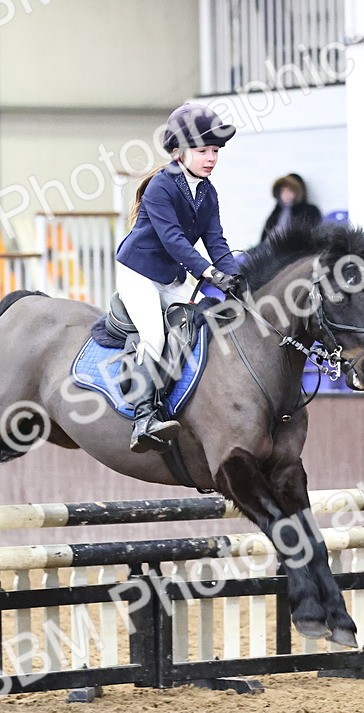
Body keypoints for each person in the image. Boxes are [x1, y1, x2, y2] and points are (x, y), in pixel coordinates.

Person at [114, 103, 243, 454]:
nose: (211, 158)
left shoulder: (207, 192)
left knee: (205, 321)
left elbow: (216, 240)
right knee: (154, 335)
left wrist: (236, 278)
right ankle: (143, 418)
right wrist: (210, 273)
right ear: (179, 152)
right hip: (139, 273)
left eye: (215, 151)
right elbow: (174, 240)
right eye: (203, 151)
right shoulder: (161, 186)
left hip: (170, 277)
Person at [259, 173, 322, 242]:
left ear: (298, 192)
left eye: (290, 190)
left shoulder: (309, 212)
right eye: (282, 191)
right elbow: (264, 238)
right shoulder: (276, 213)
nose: (286, 194)